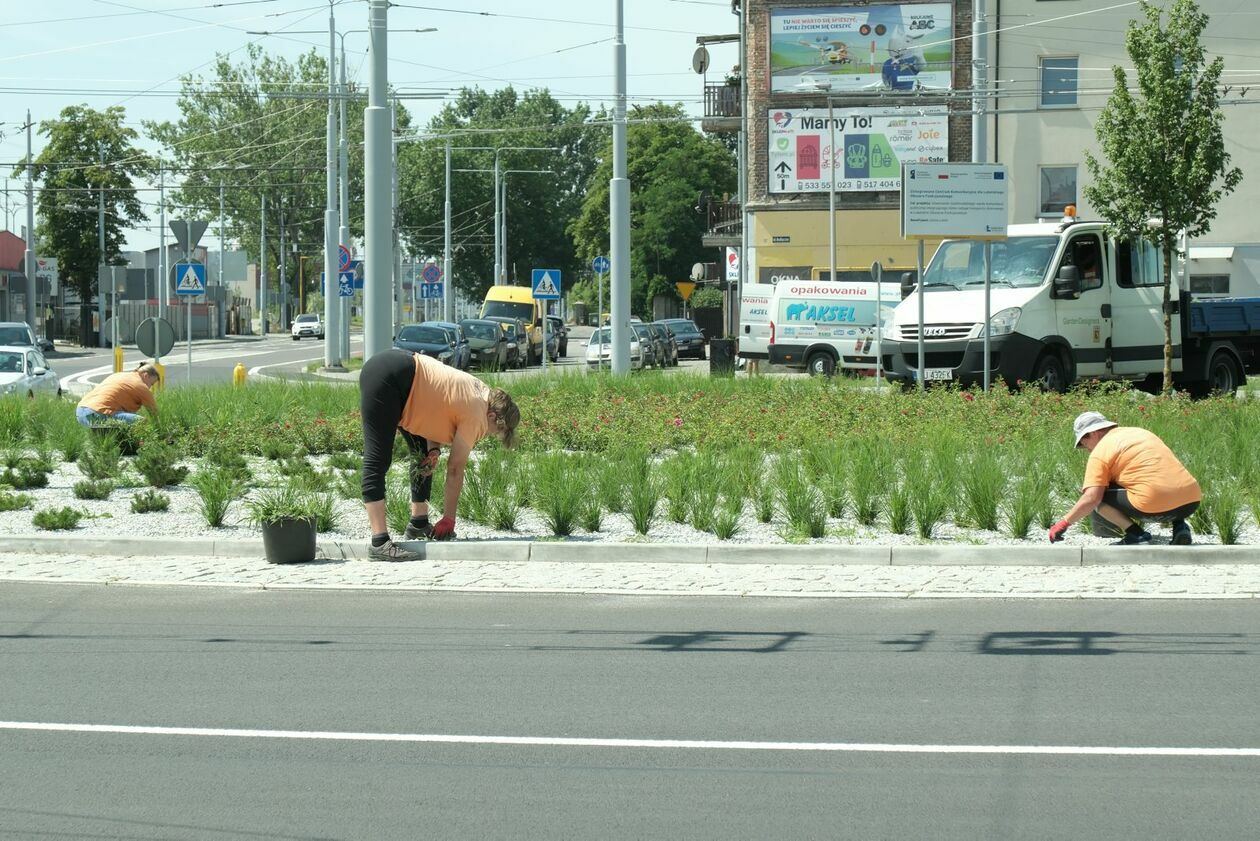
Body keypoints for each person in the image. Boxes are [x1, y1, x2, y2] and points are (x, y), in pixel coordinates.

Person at [359, 348, 520, 562]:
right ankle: (379, 543)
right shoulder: (477, 414)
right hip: (390, 378)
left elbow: (438, 406)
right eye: (498, 431)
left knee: (424, 456)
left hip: (402, 375)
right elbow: (455, 468)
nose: (492, 435)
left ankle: (418, 523)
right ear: (492, 416)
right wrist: (449, 518)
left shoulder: (481, 393)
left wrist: (434, 449)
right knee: (377, 460)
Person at [1049, 411, 1201, 546]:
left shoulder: (1100, 451)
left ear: (1094, 433)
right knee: (1159, 479)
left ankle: (1136, 534)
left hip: (1152, 503)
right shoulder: (1141, 433)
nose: (1086, 448)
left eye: (1083, 442)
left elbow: (1091, 498)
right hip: (1191, 501)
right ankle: (1180, 526)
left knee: (1099, 496)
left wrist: (1063, 523)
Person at [76, 362, 159, 427]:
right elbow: (155, 414)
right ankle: (136, 447)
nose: (150, 387)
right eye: (151, 384)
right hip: (98, 414)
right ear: (146, 375)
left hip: (81, 412)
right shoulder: (141, 386)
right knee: (141, 421)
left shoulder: (118, 375)